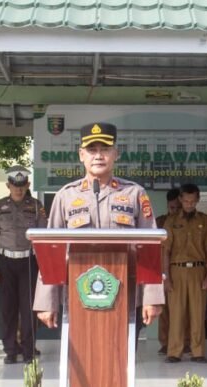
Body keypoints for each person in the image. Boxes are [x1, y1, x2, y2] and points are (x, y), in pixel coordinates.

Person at [33, 122, 163, 329]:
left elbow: (150, 248)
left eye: (105, 150)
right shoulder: (66, 196)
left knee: (123, 358)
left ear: (116, 154)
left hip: (125, 296)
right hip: (77, 296)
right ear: (81, 155)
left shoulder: (134, 194)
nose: (98, 156)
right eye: (92, 150)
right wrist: (46, 301)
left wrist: (152, 297)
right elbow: (52, 251)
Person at [0, 166, 47, 364]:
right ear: (8, 185)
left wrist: (44, 268)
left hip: (29, 261)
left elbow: (43, 237)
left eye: (22, 186)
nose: (19, 190)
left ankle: (29, 350)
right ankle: (10, 350)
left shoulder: (37, 206)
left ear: (28, 185)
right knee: (8, 309)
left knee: (29, 308)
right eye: (15, 185)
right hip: (6, 262)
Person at [162, 183, 207, 363]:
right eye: (186, 201)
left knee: (198, 313)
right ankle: (174, 352)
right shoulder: (171, 221)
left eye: (192, 201)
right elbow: (165, 252)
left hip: (199, 270)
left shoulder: (205, 220)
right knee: (176, 313)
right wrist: (166, 277)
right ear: (180, 200)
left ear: (198, 200)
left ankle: (198, 351)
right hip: (176, 270)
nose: (189, 204)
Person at [155, 188, 182, 355]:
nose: (175, 211)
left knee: (182, 310)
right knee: (164, 310)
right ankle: (165, 343)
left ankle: (184, 342)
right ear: (167, 206)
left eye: (178, 208)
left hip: (180, 268)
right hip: (161, 270)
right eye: (172, 208)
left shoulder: (189, 221)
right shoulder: (160, 223)